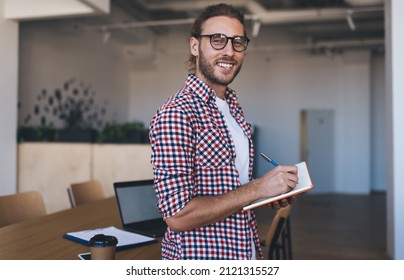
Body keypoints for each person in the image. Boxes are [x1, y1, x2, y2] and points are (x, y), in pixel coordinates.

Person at [149, 3, 298, 260]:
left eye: (238, 42)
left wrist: (266, 195)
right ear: (195, 46)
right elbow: (178, 216)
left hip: (244, 251)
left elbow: (231, 189)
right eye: (217, 40)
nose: (229, 51)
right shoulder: (177, 113)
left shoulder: (232, 109)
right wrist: (257, 189)